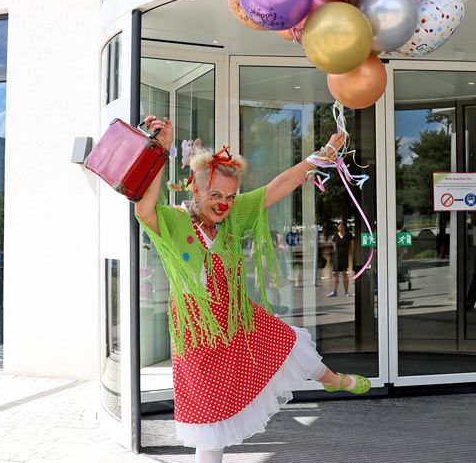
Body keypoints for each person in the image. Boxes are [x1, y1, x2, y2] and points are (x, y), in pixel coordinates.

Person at [134, 116, 370, 463]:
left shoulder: (232, 217)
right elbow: (144, 207)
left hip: (237, 319)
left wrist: (323, 154)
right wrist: (161, 148)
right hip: (198, 334)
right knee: (211, 425)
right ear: (195, 191)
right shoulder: (174, 221)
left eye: (230, 196)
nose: (224, 204)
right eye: (215, 195)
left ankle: (332, 380)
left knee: (290, 342)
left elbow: (280, 185)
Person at [327, 221, 354, 297]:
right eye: (339, 227)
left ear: (344, 227)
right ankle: (334, 292)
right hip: (337, 256)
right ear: (338, 228)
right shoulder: (336, 235)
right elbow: (334, 244)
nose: (340, 228)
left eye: (342, 227)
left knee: (344, 273)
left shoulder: (348, 235)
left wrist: (350, 252)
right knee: (335, 273)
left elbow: (352, 244)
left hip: (345, 256)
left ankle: (346, 292)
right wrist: (335, 252)